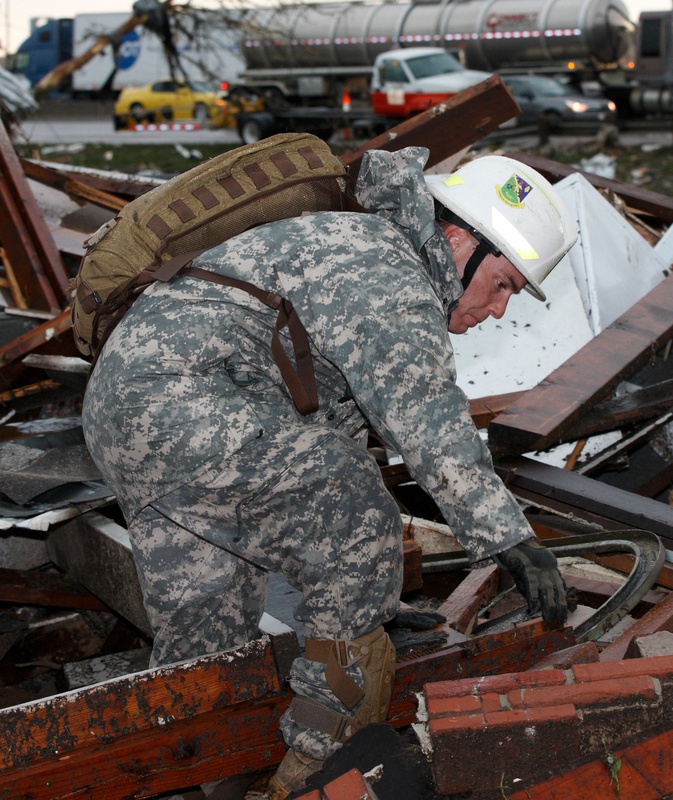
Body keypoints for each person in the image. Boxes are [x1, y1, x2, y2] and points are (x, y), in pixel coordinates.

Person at [81, 146, 578, 798]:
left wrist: (370, 593)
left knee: (207, 626)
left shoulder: (358, 247)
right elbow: (427, 428)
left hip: (136, 415)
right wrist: (513, 543)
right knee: (349, 490)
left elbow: (323, 415)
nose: (500, 310)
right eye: (504, 284)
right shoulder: (388, 269)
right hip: (190, 409)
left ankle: (186, 775)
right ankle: (323, 772)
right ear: (461, 240)